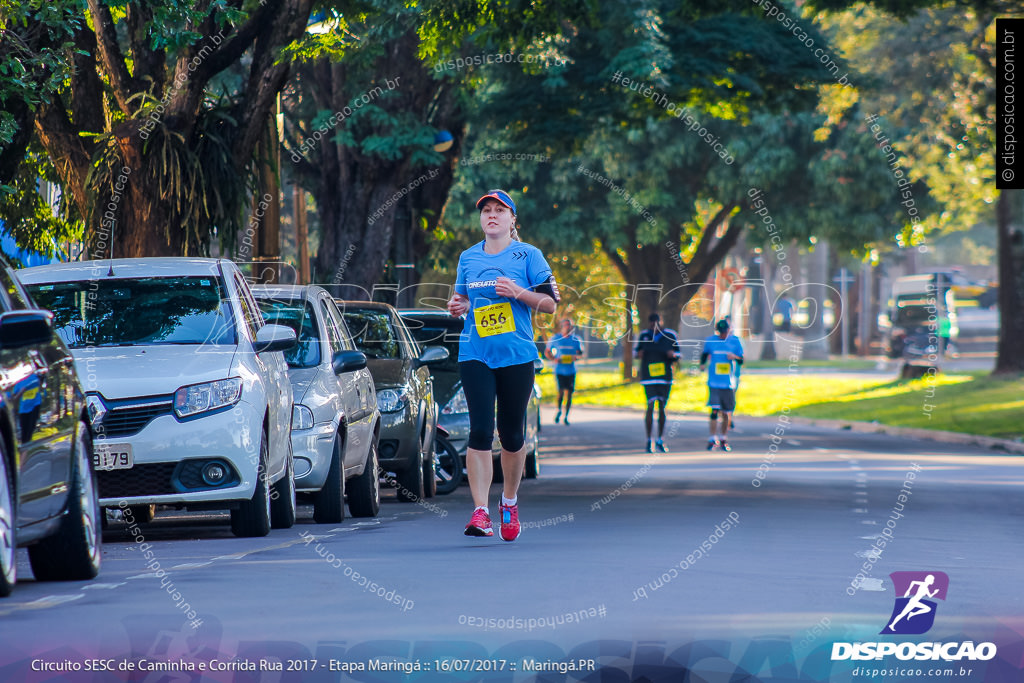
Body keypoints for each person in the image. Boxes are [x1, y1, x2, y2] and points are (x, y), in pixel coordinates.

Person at [447, 189, 559, 541]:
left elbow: (551, 304)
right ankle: (480, 511)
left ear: (513, 219)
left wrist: (519, 293)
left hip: (517, 355)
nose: (491, 215)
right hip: (475, 353)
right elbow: (462, 299)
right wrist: (457, 307)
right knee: (480, 431)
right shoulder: (468, 257)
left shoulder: (529, 255)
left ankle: (508, 501)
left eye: (500, 210)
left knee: (511, 436)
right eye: (486, 211)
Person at [635, 312, 681, 453]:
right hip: (649, 377)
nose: (654, 326)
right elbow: (637, 352)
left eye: (657, 323)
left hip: (665, 377)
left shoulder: (670, 335)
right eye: (651, 323)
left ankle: (660, 439)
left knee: (662, 407)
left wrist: (673, 355)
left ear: (661, 322)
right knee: (649, 406)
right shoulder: (644, 336)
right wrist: (639, 354)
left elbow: (678, 354)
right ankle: (649, 440)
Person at [699, 319, 744, 451]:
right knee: (714, 410)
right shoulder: (710, 341)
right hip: (714, 382)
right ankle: (712, 438)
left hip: (728, 383)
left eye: (726, 332)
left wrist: (734, 357)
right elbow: (705, 354)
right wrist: (702, 365)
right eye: (721, 332)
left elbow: (742, 360)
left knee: (726, 413)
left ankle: (723, 438)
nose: (724, 335)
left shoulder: (735, 341)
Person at [545, 318, 584, 425]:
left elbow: (581, 353)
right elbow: (547, 352)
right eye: (566, 325)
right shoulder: (556, 338)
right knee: (561, 392)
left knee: (570, 394)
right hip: (559, 370)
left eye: (570, 325)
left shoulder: (576, 339)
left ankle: (566, 416)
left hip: (571, 370)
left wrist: (576, 357)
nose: (568, 327)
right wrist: (554, 359)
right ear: (562, 326)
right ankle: (558, 410)